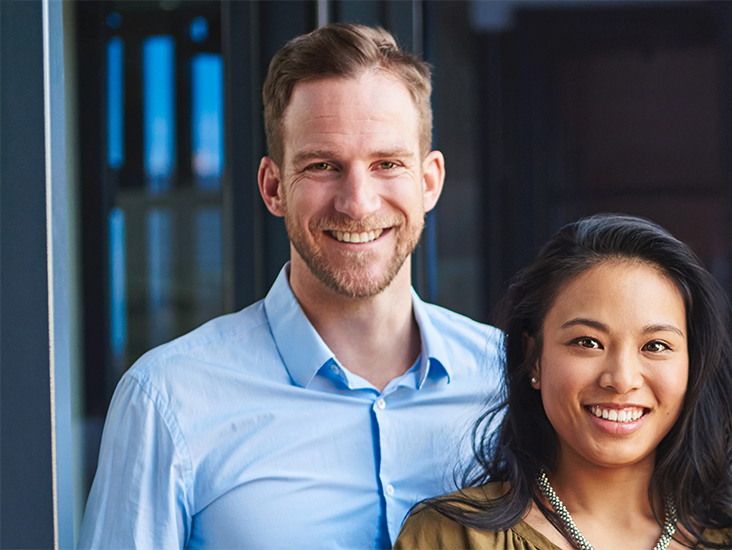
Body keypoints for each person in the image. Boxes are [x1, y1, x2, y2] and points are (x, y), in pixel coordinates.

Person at [79, 24, 501, 549]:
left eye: (387, 164)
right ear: (274, 187)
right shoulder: (168, 401)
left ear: (429, 181)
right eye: (323, 166)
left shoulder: (508, 382)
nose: (358, 202)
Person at [394, 214, 732, 550]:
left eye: (655, 345)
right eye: (588, 342)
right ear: (534, 356)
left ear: (694, 364)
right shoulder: (449, 538)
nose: (621, 379)